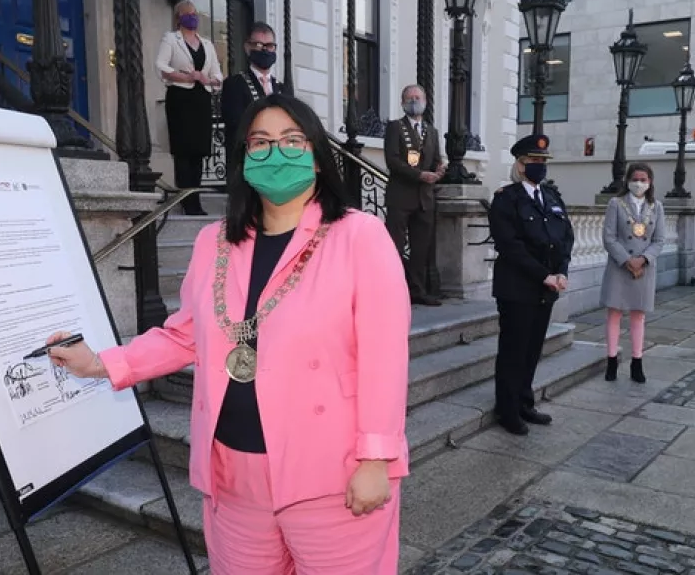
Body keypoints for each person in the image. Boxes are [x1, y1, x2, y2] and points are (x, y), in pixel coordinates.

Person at [45, 94, 411, 573]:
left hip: (331, 473)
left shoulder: (359, 236)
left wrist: (376, 460)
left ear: (318, 157)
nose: (275, 154)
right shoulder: (214, 241)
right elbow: (184, 335)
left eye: (291, 141)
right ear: (243, 159)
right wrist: (102, 363)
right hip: (234, 472)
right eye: (260, 143)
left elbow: (385, 356)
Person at [488, 134, 574, 436]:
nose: (540, 166)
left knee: (533, 348)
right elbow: (510, 246)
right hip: (517, 287)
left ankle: (525, 402)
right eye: (534, 161)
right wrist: (543, 275)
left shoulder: (551, 197)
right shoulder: (506, 199)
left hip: (545, 288)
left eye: (543, 161)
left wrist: (561, 270)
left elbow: (566, 237)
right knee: (514, 350)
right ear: (521, 165)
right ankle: (507, 409)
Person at [155, 0, 223, 216]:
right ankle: (186, 199)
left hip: (200, 100)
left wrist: (204, 78)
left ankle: (196, 198)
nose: (192, 16)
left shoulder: (208, 45)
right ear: (179, 18)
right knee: (183, 151)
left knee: (198, 151)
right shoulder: (171, 39)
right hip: (180, 98)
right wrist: (185, 76)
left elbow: (218, 76)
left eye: (194, 13)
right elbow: (161, 66)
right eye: (187, 13)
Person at [600, 162, 666, 384]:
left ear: (650, 182)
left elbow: (659, 240)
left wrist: (644, 259)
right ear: (628, 180)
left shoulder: (656, 206)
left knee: (639, 316)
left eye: (643, 179)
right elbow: (609, 237)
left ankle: (637, 362)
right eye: (635, 179)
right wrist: (627, 260)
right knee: (614, 313)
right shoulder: (616, 204)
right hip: (620, 265)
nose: (639, 183)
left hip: (644, 267)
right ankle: (611, 361)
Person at [383, 84, 445, 306]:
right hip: (401, 197)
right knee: (395, 247)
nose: (413, 101)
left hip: (425, 199)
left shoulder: (432, 131)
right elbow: (393, 161)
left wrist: (439, 170)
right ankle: (392, 291)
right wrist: (419, 175)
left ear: (425, 101)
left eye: (417, 97)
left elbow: (436, 158)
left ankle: (417, 291)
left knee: (421, 249)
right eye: (409, 98)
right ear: (402, 103)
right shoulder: (395, 128)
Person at [220, 21, 284, 154]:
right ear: (248, 48)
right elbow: (235, 124)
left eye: (270, 45)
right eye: (259, 45)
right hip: (247, 159)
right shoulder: (234, 84)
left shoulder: (282, 88)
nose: (265, 50)